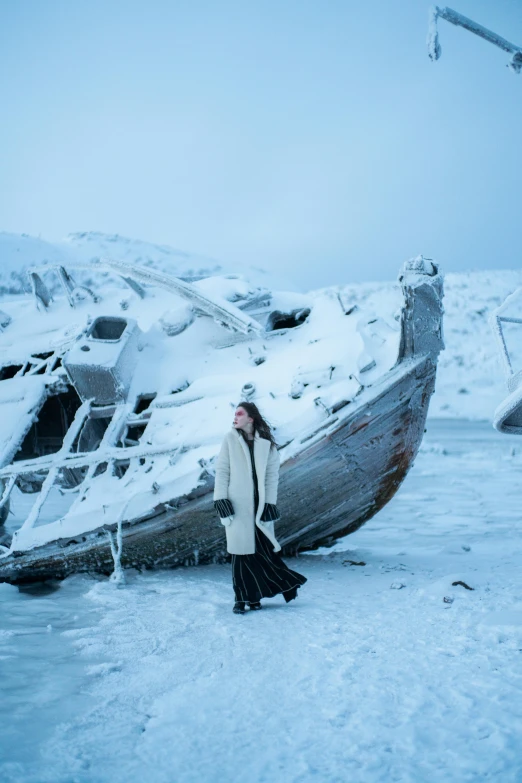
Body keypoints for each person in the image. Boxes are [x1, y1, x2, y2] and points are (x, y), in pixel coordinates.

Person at [213, 401, 307, 614]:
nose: (235, 417)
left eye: (239, 414)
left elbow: (272, 477)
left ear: (251, 418)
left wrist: (270, 504)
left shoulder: (267, 445)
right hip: (237, 506)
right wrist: (220, 499)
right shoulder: (229, 439)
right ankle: (240, 599)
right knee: (240, 555)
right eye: (235, 414)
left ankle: (254, 597)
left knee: (261, 553)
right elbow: (222, 470)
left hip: (259, 508)